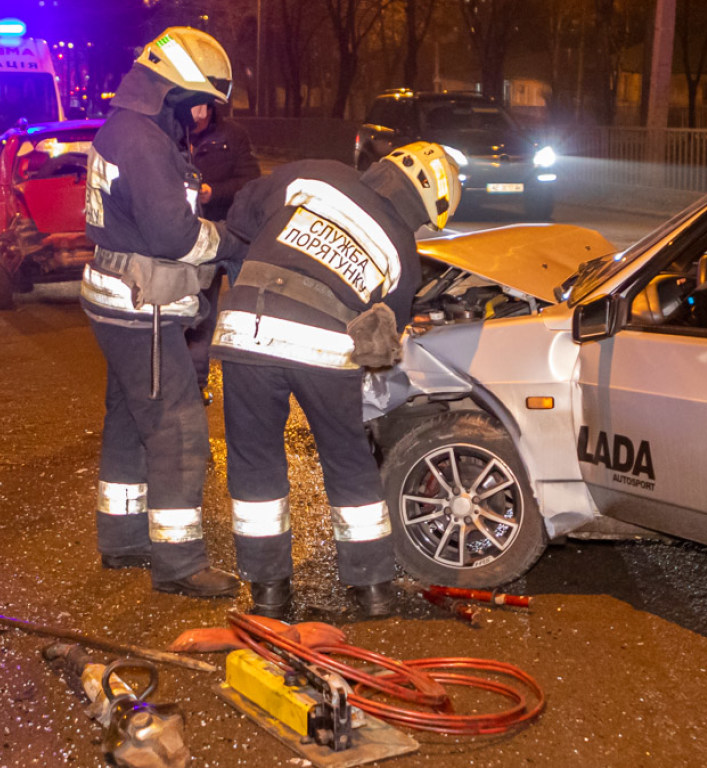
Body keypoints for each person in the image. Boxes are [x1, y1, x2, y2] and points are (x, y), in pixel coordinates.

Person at [211, 142, 461, 618]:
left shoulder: (314, 169)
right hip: (322, 352)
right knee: (348, 460)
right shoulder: (404, 253)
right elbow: (387, 332)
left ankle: (269, 595)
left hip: (248, 332)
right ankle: (373, 590)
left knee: (256, 461)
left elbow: (244, 210)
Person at [79, 27, 245, 599]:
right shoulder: (146, 143)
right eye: (196, 101)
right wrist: (227, 241)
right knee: (177, 428)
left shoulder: (122, 129)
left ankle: (123, 538)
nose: (201, 115)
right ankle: (180, 563)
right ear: (169, 92)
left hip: (116, 298)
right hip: (141, 309)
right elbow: (174, 236)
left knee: (129, 419)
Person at [184, 102, 261, 402]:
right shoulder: (176, 135)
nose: (199, 114)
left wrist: (213, 191)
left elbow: (250, 180)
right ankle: (195, 384)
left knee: (243, 310)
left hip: (232, 232)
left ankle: (250, 383)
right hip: (195, 236)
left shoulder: (233, 134)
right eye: (194, 106)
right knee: (200, 311)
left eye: (204, 106)